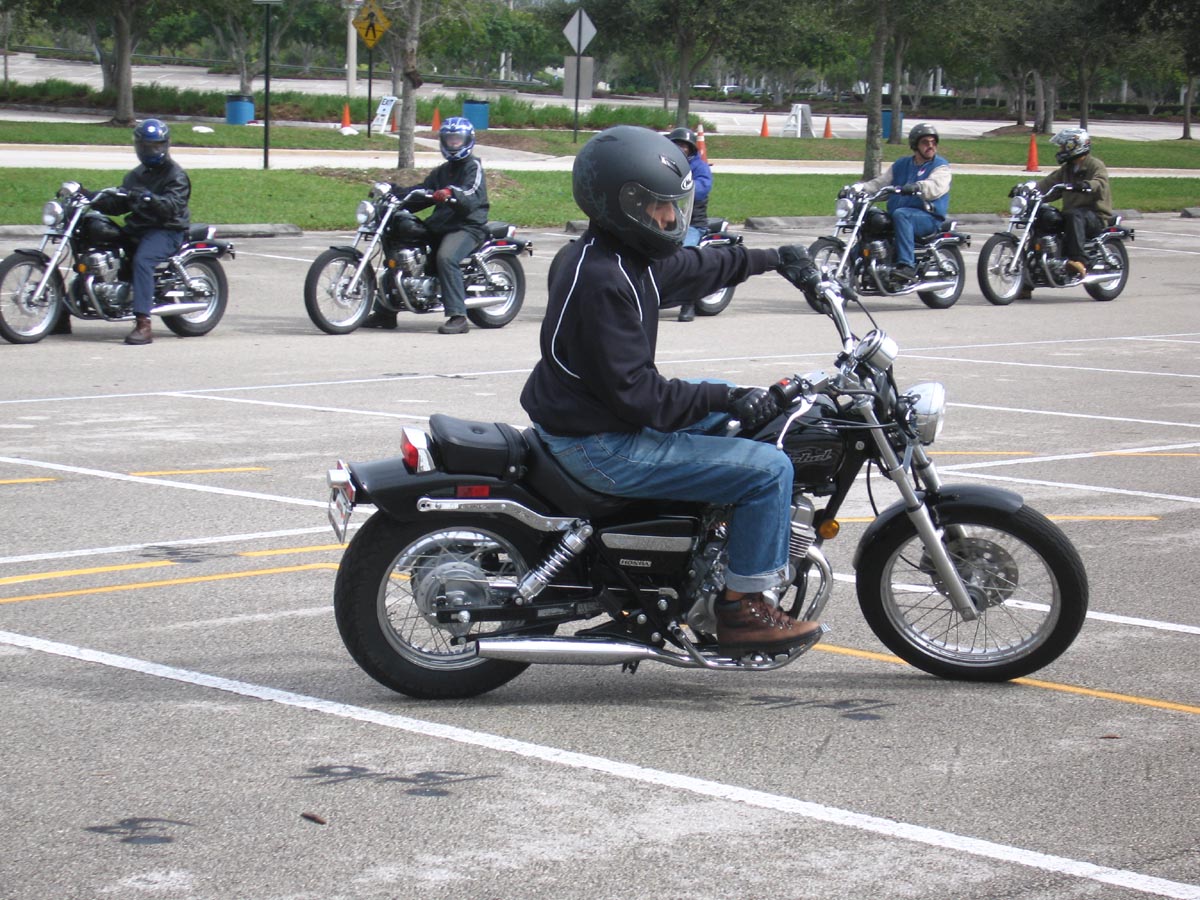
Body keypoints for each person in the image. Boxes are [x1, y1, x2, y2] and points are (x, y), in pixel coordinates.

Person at [519, 125, 823, 657]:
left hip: (590, 419)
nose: (668, 218)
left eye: (672, 205)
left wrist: (773, 259)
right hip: (600, 444)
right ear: (622, 205)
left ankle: (707, 548)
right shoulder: (603, 281)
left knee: (739, 410)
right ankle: (742, 609)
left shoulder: (611, 256)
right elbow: (641, 397)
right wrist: (724, 398)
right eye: (657, 206)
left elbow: (692, 268)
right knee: (768, 469)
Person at [363, 116, 489, 335]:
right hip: (441, 225)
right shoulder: (443, 171)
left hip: (467, 226)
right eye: (449, 139)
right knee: (399, 253)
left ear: (468, 140)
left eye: (457, 139)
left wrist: (451, 192)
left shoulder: (473, 167)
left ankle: (458, 316)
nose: (453, 143)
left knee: (446, 258)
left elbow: (471, 192)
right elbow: (421, 192)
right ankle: (385, 312)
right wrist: (393, 193)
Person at [89, 118, 191, 345]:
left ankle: (144, 324)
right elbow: (119, 204)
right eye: (145, 146)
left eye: (156, 146)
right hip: (139, 228)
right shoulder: (136, 175)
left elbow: (172, 207)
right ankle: (63, 313)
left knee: (142, 260)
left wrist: (150, 198)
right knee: (95, 241)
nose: (150, 150)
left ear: (165, 145)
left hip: (167, 229)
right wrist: (91, 197)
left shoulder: (176, 175)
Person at [853, 122, 950, 289]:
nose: (930, 146)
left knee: (902, 214)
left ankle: (907, 266)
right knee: (871, 218)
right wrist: (859, 188)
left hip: (928, 217)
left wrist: (918, 187)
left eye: (933, 142)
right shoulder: (901, 164)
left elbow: (935, 186)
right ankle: (857, 262)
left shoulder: (940, 166)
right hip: (899, 214)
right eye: (925, 142)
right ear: (915, 145)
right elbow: (881, 184)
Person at [1032, 127, 1112, 290]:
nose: (1061, 150)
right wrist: (1029, 190)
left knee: (1074, 214)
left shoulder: (1095, 165)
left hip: (1095, 216)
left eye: (1064, 146)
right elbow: (1047, 185)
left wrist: (1086, 185)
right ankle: (1029, 277)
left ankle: (1078, 261)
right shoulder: (1066, 169)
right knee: (1043, 216)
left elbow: (1100, 182)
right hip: (1072, 215)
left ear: (1076, 146)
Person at [666, 126, 713, 322]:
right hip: (666, 221)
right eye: (675, 144)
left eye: (683, 145)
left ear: (691, 148)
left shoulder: (699, 167)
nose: (679, 148)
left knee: (686, 257)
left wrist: (684, 187)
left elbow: (703, 187)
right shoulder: (665, 164)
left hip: (691, 224)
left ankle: (689, 303)